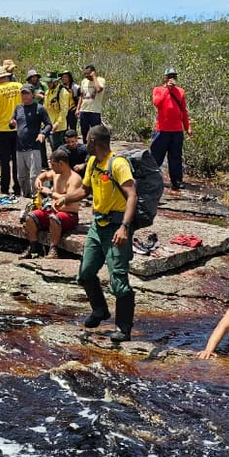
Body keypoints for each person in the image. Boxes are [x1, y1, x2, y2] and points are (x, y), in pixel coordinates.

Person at [62, 125, 139, 343]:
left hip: (116, 227)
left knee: (118, 281)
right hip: (97, 225)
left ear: (94, 141)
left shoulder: (118, 164)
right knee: (85, 274)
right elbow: (85, 190)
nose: (85, 143)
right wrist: (65, 199)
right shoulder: (93, 163)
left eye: (87, 140)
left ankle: (123, 329)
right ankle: (100, 311)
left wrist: (125, 227)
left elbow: (132, 195)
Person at [20, 148, 83, 259]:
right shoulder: (56, 173)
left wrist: (50, 193)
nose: (52, 167)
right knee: (30, 216)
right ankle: (34, 246)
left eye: (53, 164)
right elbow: (44, 175)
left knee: (54, 218)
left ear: (61, 163)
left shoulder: (74, 179)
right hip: (53, 210)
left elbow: (69, 198)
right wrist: (38, 180)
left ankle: (53, 249)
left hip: (69, 214)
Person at [150, 67, 191, 190]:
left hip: (177, 131)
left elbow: (183, 110)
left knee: (175, 157)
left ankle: (176, 181)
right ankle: (152, 180)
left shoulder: (181, 91)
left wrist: (188, 127)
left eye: (174, 76)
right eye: (169, 76)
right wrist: (167, 89)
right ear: (165, 78)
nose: (172, 78)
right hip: (162, 130)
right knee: (156, 157)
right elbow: (157, 103)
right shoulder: (158, 90)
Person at [11, 84, 52, 197]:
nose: (24, 96)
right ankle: (26, 196)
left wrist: (43, 133)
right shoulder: (18, 108)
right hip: (19, 147)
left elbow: (49, 125)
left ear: (32, 94)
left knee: (34, 175)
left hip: (34, 146)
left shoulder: (39, 108)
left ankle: (36, 197)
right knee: (21, 176)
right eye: (23, 93)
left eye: (27, 93)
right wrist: (12, 123)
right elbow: (12, 122)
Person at [0, 69, 22, 195]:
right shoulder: (19, 86)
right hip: (19, 128)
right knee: (18, 160)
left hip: (3, 129)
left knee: (5, 161)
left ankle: (5, 188)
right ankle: (18, 187)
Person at [44, 73, 74, 151]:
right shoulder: (47, 92)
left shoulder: (63, 92)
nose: (48, 84)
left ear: (56, 81)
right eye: (47, 82)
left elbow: (64, 110)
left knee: (60, 149)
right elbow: (45, 107)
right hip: (50, 125)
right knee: (53, 148)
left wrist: (57, 123)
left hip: (59, 127)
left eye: (50, 82)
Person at [76, 65, 106, 132]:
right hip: (84, 110)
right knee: (84, 132)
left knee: (96, 132)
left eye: (88, 73)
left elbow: (98, 89)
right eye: (85, 74)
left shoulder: (100, 80)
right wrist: (78, 109)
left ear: (93, 72)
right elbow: (81, 96)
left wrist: (94, 77)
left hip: (94, 111)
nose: (86, 75)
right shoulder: (84, 81)